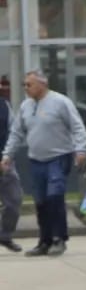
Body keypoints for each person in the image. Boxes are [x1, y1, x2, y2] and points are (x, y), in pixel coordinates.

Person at [2, 72, 86, 257]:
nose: (25, 88)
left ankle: (59, 238)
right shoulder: (26, 106)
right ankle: (45, 240)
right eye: (24, 85)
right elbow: (17, 132)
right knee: (40, 201)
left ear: (42, 85)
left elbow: (77, 126)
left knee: (54, 196)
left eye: (29, 85)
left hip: (58, 157)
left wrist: (81, 150)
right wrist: (7, 155)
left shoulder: (60, 102)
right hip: (36, 159)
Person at [0, 76, 19, 252]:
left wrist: (7, 156)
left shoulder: (5, 106)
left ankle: (5, 235)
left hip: (4, 161)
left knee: (13, 201)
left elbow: (14, 131)